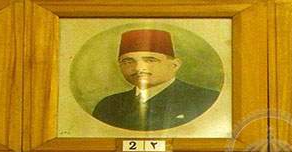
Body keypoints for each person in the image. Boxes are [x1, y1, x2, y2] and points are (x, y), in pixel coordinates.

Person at [91, 29, 220, 131]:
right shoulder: (107, 105)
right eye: (128, 61)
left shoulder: (206, 99)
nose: (138, 68)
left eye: (150, 60)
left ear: (175, 65)